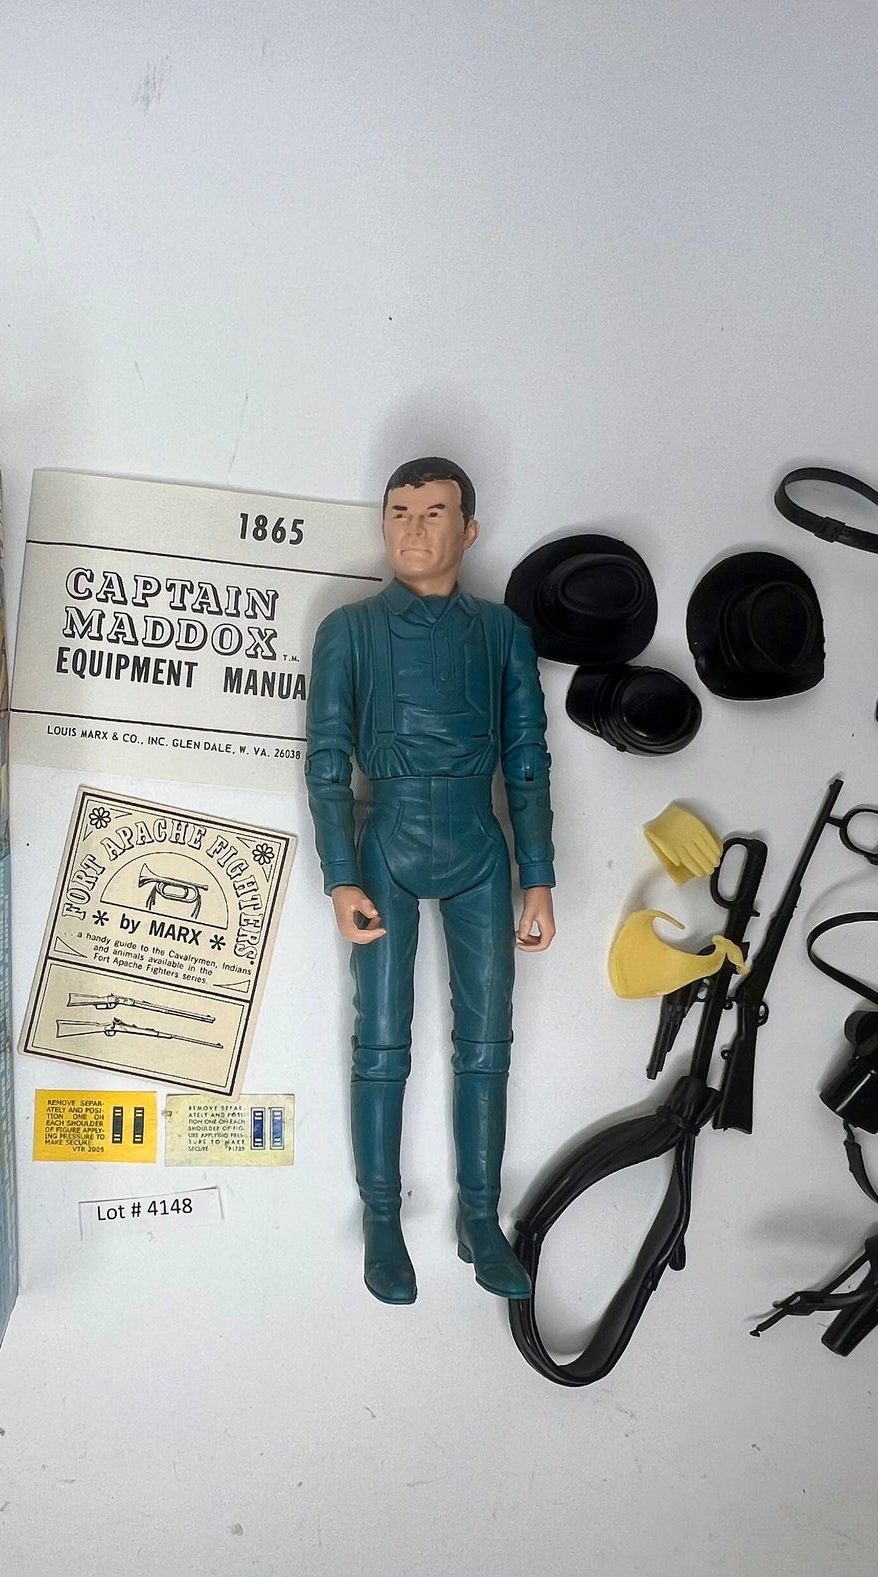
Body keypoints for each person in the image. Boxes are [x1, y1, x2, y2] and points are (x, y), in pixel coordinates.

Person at [305, 457, 557, 1305]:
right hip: (389, 842)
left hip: (480, 846)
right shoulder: (350, 631)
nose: (413, 527)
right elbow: (327, 763)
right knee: (381, 1039)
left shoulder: (502, 633)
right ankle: (383, 1218)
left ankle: (480, 1217)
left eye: (434, 511)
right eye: (400, 511)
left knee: (489, 1042)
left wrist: (537, 875)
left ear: (469, 529)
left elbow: (528, 757)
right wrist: (341, 875)